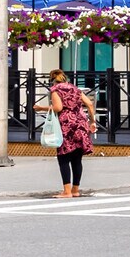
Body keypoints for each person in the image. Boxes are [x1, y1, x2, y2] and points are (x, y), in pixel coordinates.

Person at [47, 69, 96, 197]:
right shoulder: (75, 89)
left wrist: (41, 108)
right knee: (77, 158)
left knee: (63, 157)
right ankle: (75, 190)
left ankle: (66, 191)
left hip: (67, 125)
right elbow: (90, 104)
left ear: (52, 79)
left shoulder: (55, 90)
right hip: (81, 124)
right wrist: (92, 122)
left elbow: (58, 108)